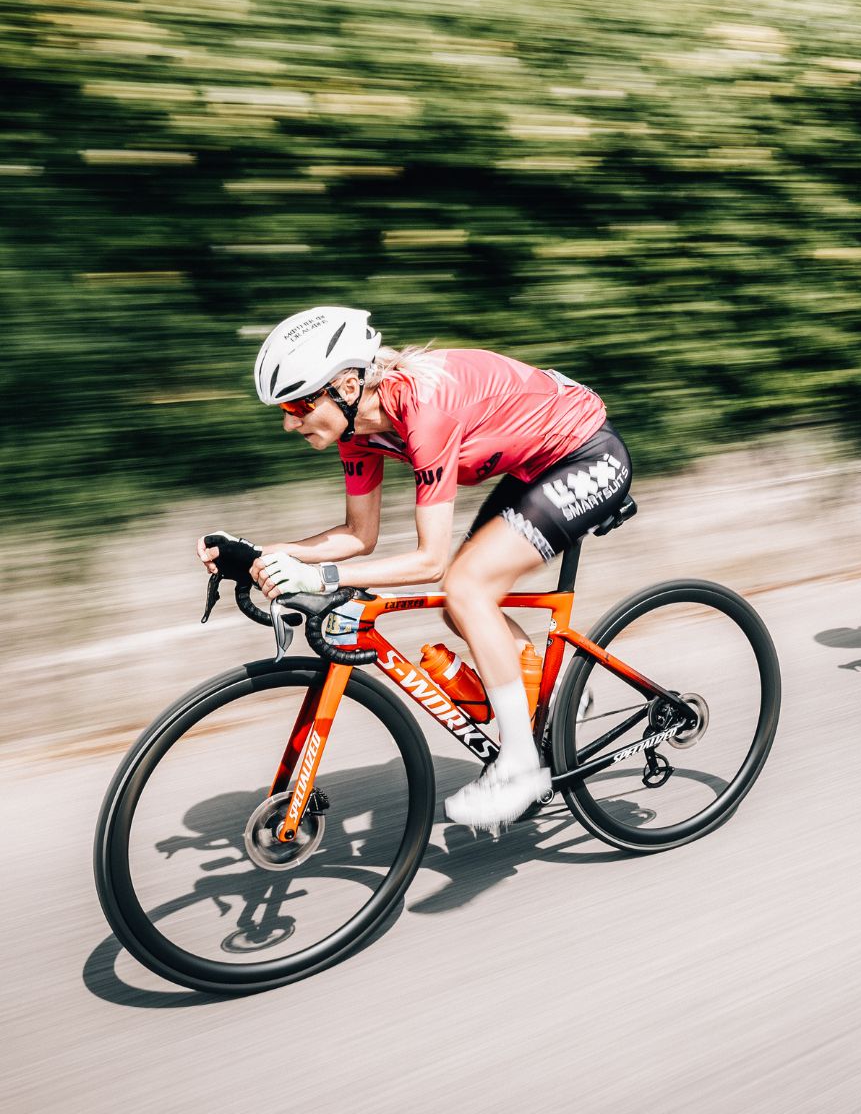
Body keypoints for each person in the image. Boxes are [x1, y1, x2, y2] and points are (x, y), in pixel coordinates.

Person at [196, 306, 633, 829]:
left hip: (587, 456)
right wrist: (260, 555)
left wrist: (322, 579)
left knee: (465, 587)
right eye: (284, 409)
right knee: (462, 606)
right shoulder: (358, 432)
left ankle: (520, 769)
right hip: (534, 466)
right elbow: (359, 536)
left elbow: (429, 560)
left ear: (348, 385)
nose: (290, 422)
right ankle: (552, 696)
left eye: (298, 403)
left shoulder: (427, 408)